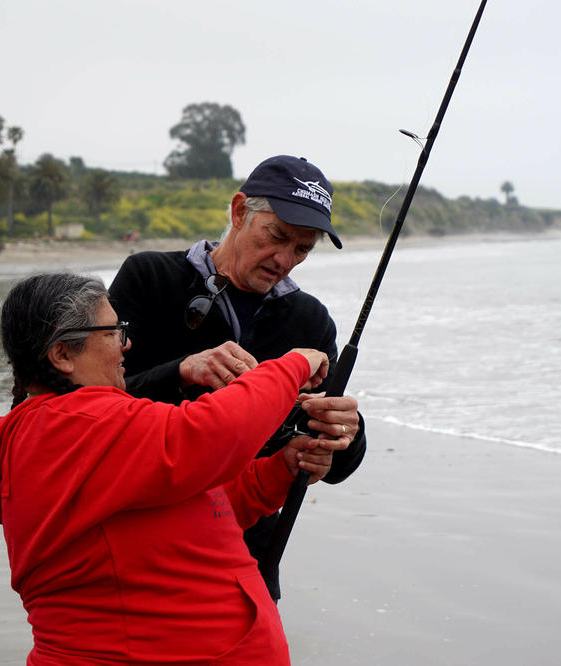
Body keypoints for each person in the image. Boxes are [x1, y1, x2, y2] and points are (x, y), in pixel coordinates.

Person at [0, 273, 332, 664]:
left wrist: (280, 471)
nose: (127, 344)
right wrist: (291, 367)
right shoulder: (72, 426)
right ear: (62, 355)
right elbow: (208, 435)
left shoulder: (74, 430)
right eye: (114, 332)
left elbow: (202, 509)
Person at [108, 155, 367, 600]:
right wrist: (182, 371)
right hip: (135, 552)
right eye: (277, 236)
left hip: (246, 567)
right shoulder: (148, 277)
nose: (284, 259)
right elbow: (86, 409)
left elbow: (332, 461)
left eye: (302, 249)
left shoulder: (310, 322)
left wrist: (345, 435)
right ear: (238, 211)